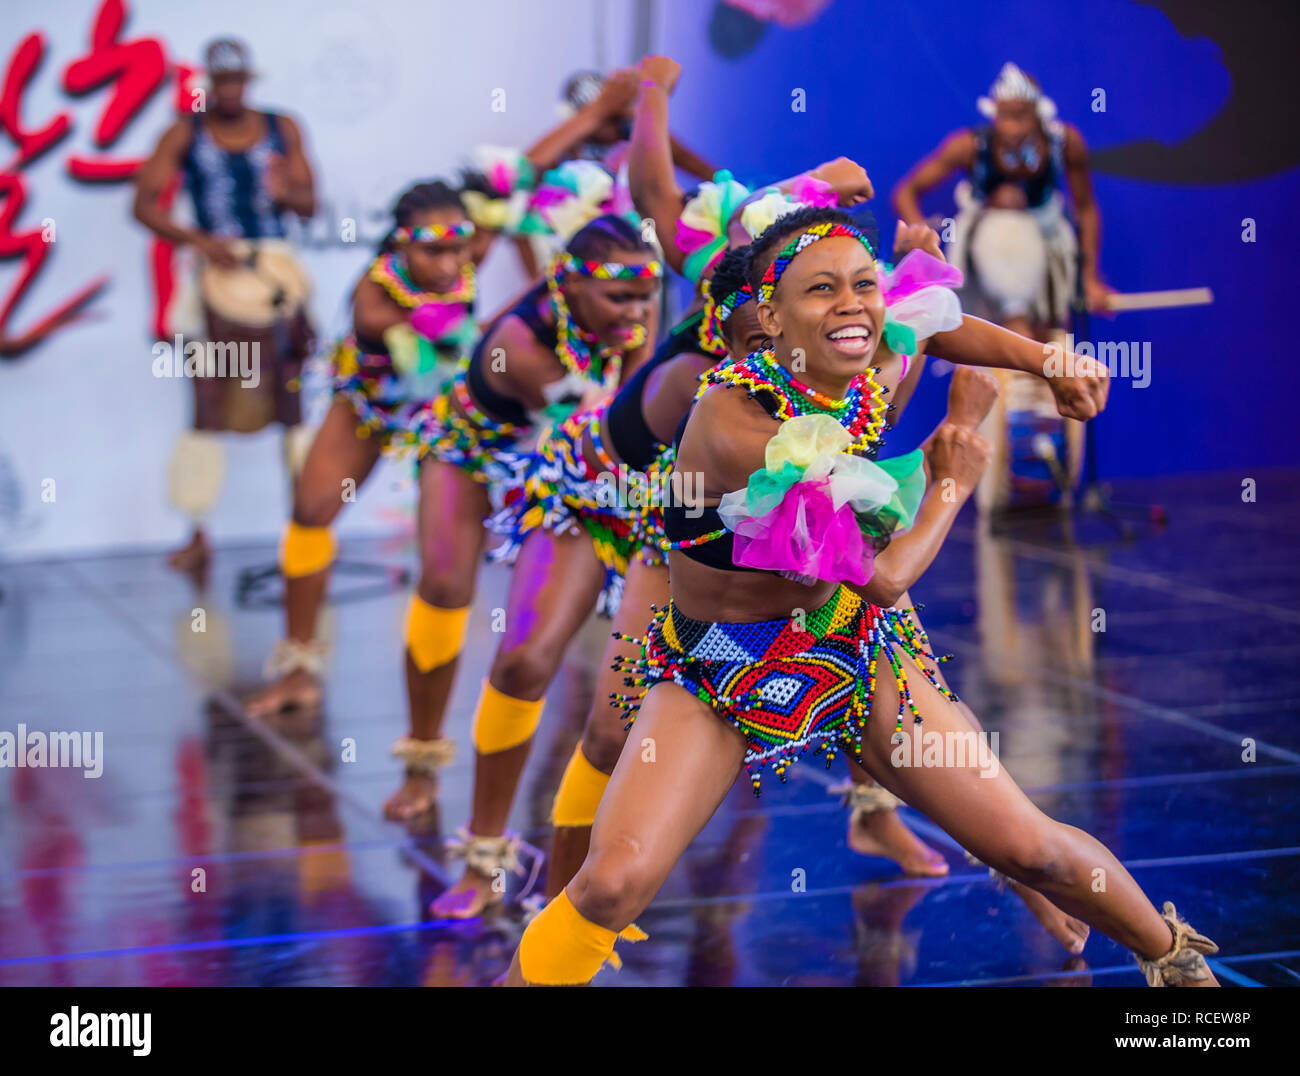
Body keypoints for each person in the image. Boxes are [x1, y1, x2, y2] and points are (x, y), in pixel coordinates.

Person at [503, 205, 1219, 988]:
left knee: (1028, 844)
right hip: (717, 668)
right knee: (611, 882)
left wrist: (1048, 361)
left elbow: (932, 323)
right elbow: (883, 575)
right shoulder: (740, 423)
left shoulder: (855, 354)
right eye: (821, 291)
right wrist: (953, 477)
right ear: (770, 319)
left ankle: (1174, 962)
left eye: (863, 287)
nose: (854, 306)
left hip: (846, 646)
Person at [244, 181, 479, 725]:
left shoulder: (468, 255)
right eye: (432, 250)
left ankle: (429, 727)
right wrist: (438, 323)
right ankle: (298, 668)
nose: (448, 264)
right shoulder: (374, 291)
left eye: (457, 247)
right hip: (372, 405)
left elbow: (518, 176)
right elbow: (380, 324)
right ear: (399, 244)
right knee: (311, 513)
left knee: (443, 566)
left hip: (442, 415)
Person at [891, 62, 1114, 513]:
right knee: (993, 327)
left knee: (1049, 327)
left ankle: (1050, 443)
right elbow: (907, 190)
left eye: (1020, 116)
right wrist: (920, 240)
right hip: (986, 255)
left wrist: (1089, 276)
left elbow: (1086, 209)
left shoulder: (1064, 143)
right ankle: (999, 451)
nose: (1011, 126)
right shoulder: (970, 146)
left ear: (1038, 114)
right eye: (1004, 116)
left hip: (1048, 248)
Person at [133, 38, 317, 575]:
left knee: (290, 399)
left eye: (240, 81)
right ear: (211, 84)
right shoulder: (184, 132)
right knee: (208, 400)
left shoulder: (283, 127)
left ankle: (304, 528)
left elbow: (310, 203)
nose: (232, 90)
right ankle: (197, 532)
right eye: (224, 82)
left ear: (249, 82)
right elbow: (143, 204)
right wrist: (196, 239)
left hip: (276, 275)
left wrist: (288, 194)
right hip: (217, 279)